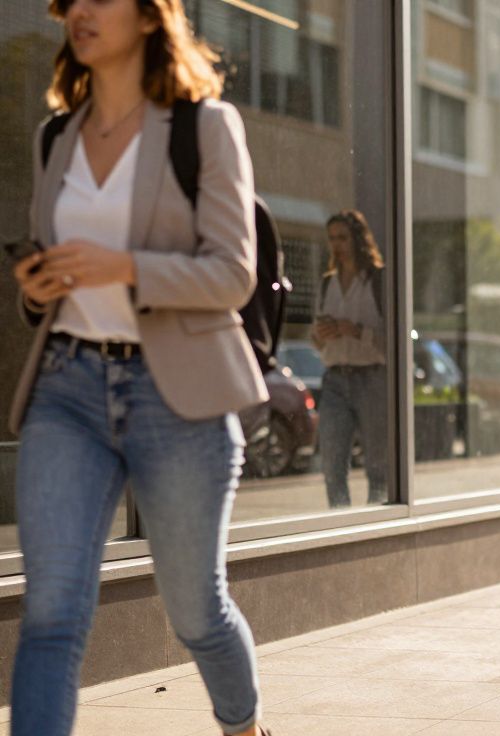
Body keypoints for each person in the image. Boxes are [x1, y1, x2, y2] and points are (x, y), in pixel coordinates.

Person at [7, 1, 271, 734]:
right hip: (67, 389)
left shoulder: (205, 128)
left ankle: (243, 725)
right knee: (52, 614)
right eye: (71, 1)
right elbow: (49, 262)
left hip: (177, 397)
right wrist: (38, 289)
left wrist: (123, 267)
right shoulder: (55, 135)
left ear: (153, 16)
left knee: (196, 611)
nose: (80, 11)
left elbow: (232, 274)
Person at [313, 209, 388, 508]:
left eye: (342, 237)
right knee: (331, 463)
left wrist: (357, 331)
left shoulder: (378, 280)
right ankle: (339, 522)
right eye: (331, 239)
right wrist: (324, 334)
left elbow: (393, 344)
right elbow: (315, 340)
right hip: (334, 379)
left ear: (358, 239)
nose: (337, 245)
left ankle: (378, 526)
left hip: (371, 377)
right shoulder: (326, 283)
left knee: (379, 465)